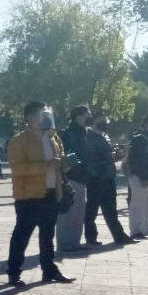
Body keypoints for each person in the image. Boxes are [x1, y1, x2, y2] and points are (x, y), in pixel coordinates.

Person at [6, 101, 75, 286]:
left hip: (51, 193)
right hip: (28, 196)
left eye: (48, 114)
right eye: (42, 114)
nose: (47, 117)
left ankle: (49, 270)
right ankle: (14, 273)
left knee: (47, 235)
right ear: (30, 119)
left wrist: (64, 162)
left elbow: (59, 162)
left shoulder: (54, 137)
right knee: (22, 236)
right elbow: (17, 169)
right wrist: (46, 166)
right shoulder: (18, 141)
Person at [83, 109, 133, 247]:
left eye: (106, 121)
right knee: (92, 210)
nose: (105, 123)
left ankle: (119, 235)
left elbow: (107, 155)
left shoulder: (104, 136)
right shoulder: (89, 136)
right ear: (93, 121)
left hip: (108, 177)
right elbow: (92, 158)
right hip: (96, 178)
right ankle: (91, 238)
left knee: (110, 208)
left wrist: (117, 155)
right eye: (101, 121)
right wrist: (109, 158)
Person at [56, 106, 91, 252]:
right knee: (67, 213)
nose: (90, 117)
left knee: (78, 213)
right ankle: (64, 243)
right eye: (87, 115)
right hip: (70, 177)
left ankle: (75, 242)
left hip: (82, 177)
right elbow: (62, 155)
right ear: (78, 117)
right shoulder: (67, 134)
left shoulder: (85, 133)